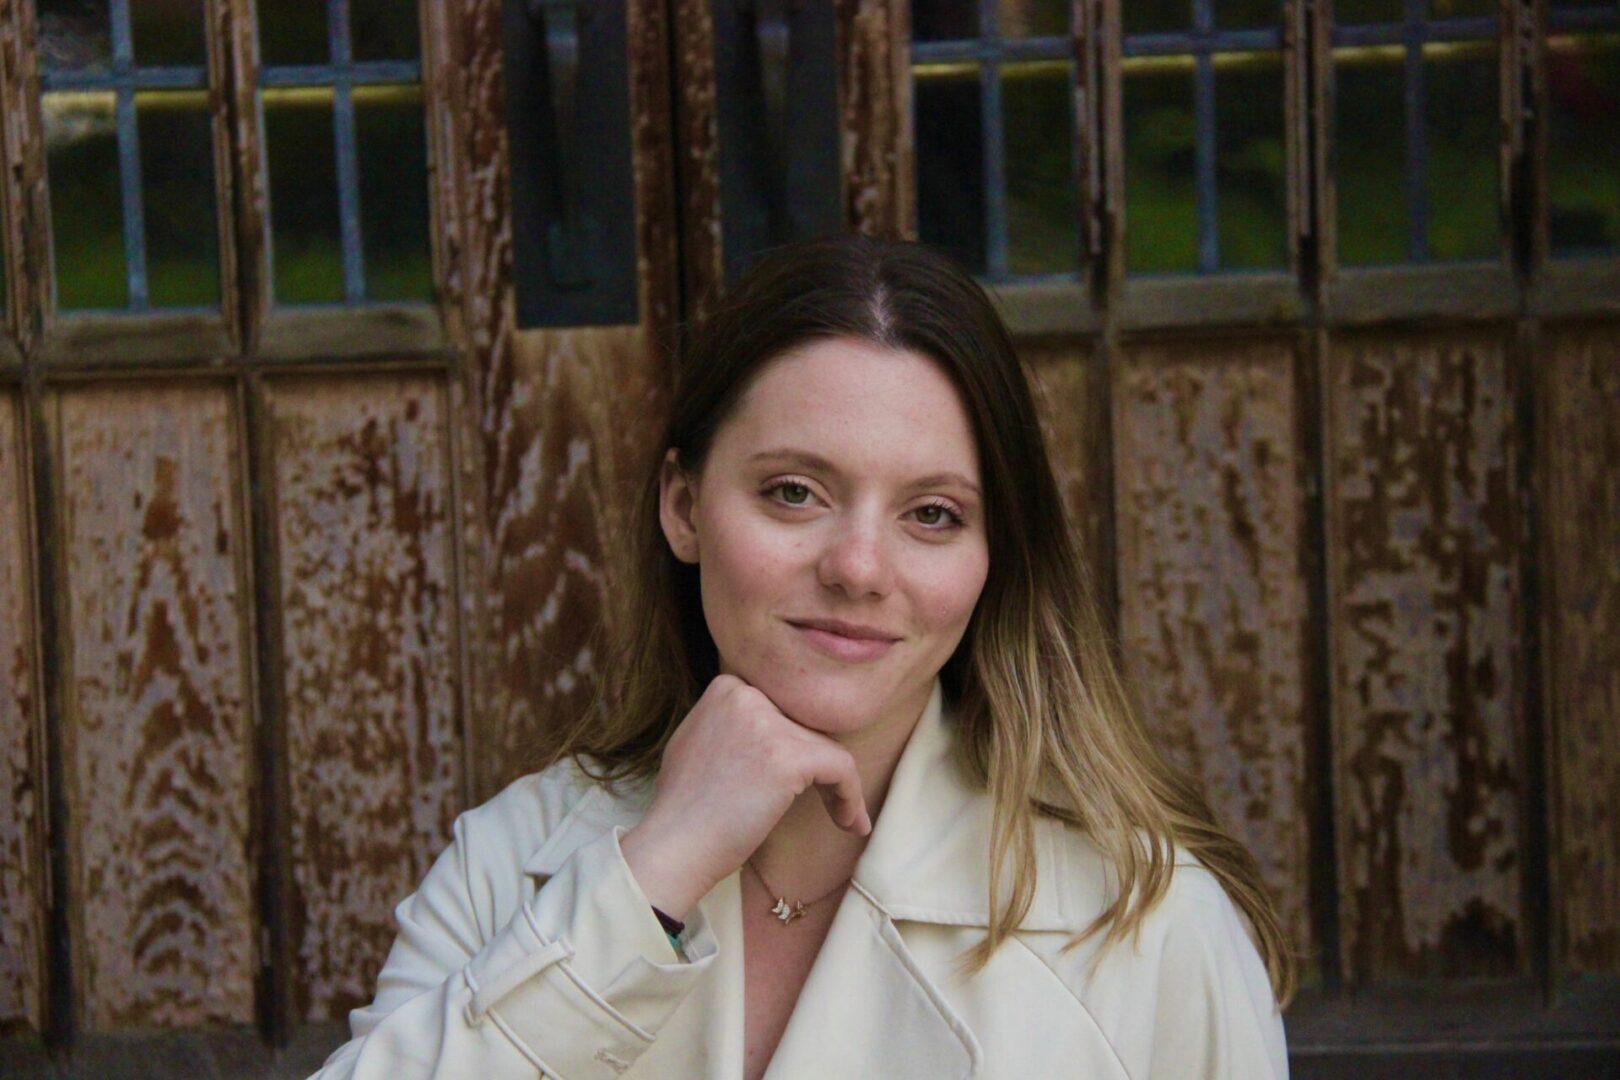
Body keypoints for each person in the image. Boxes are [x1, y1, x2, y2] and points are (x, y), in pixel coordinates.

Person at [311, 235, 1293, 1079]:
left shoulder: (1147, 923)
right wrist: (650, 876)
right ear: (685, 505)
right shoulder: (510, 867)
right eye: (794, 493)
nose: (860, 567)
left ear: (993, 556)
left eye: (933, 515)